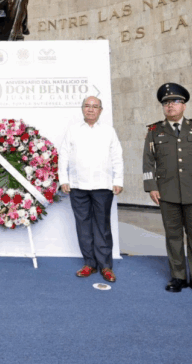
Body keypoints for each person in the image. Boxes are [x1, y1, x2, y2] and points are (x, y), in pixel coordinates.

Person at [142, 83, 192, 298]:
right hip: (167, 192)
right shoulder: (154, 131)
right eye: (166, 103)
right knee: (173, 236)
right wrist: (151, 187)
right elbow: (148, 162)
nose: (170, 106)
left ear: (184, 106)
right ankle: (178, 276)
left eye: (175, 102)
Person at [59, 96, 123, 283]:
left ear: (101, 110)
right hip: (77, 186)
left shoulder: (108, 131)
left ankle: (105, 266)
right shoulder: (72, 131)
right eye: (87, 106)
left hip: (103, 185)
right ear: (82, 109)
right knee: (83, 225)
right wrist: (64, 179)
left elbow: (117, 156)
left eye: (95, 107)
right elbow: (63, 156)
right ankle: (89, 264)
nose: (90, 109)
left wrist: (118, 180)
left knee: (102, 226)